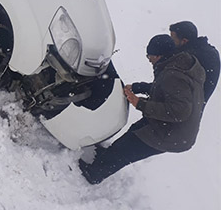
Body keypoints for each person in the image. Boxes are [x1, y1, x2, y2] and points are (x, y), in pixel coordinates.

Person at [78, 34, 205, 185]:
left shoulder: (173, 75)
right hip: (170, 126)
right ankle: (106, 158)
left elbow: (180, 111)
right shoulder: (179, 63)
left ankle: (94, 174)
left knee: (128, 149)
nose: (149, 59)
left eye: (150, 56)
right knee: (134, 132)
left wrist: (140, 104)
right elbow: (168, 90)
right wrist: (140, 87)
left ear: (159, 55)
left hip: (173, 134)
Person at [169, 21, 219, 103]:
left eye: (173, 40)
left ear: (184, 41)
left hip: (184, 107)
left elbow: (169, 84)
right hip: (195, 107)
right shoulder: (209, 51)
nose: (171, 43)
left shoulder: (189, 58)